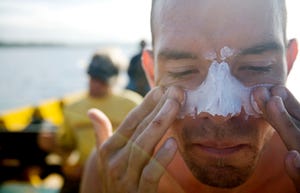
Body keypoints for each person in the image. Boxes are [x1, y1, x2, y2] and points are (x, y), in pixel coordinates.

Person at [80, 0, 300, 192]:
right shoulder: (114, 170)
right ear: (151, 72)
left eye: (256, 67)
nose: (219, 113)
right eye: (183, 71)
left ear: (288, 64)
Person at [39, 48, 143, 193]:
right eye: (93, 78)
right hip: (81, 175)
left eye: (102, 80)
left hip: (123, 177)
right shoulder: (72, 108)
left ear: (115, 79)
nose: (95, 85)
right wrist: (53, 146)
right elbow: (67, 147)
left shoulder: (133, 104)